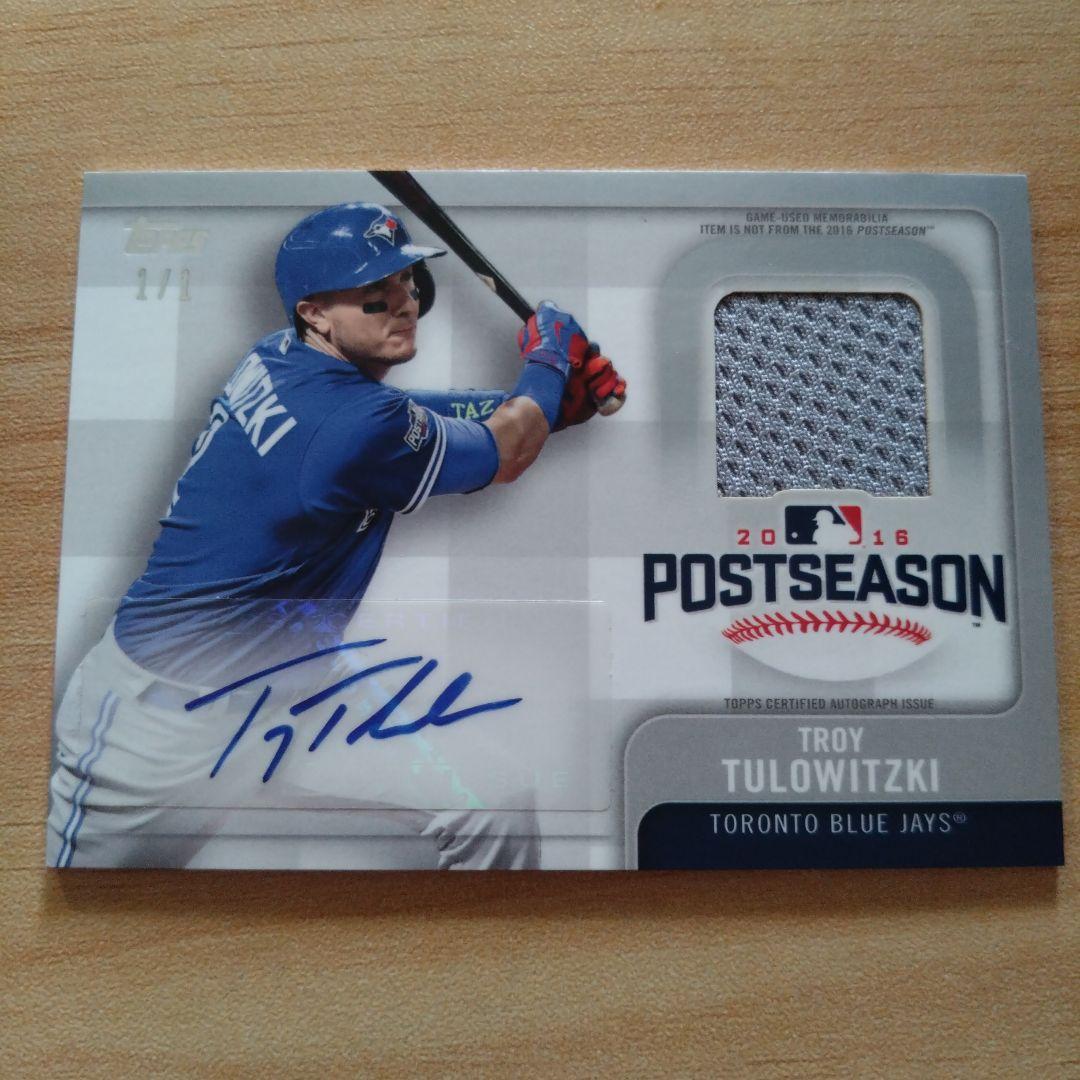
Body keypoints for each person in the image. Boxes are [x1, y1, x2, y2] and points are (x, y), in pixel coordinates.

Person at [47, 202, 625, 870]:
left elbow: (413, 417)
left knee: (493, 799)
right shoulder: (351, 429)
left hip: (299, 693)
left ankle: (487, 941)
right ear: (315, 313)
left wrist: (538, 407)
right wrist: (548, 362)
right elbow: (500, 452)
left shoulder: (279, 357)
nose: (402, 303)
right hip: (160, 724)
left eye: (406, 282)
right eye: (373, 291)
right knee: (70, 904)